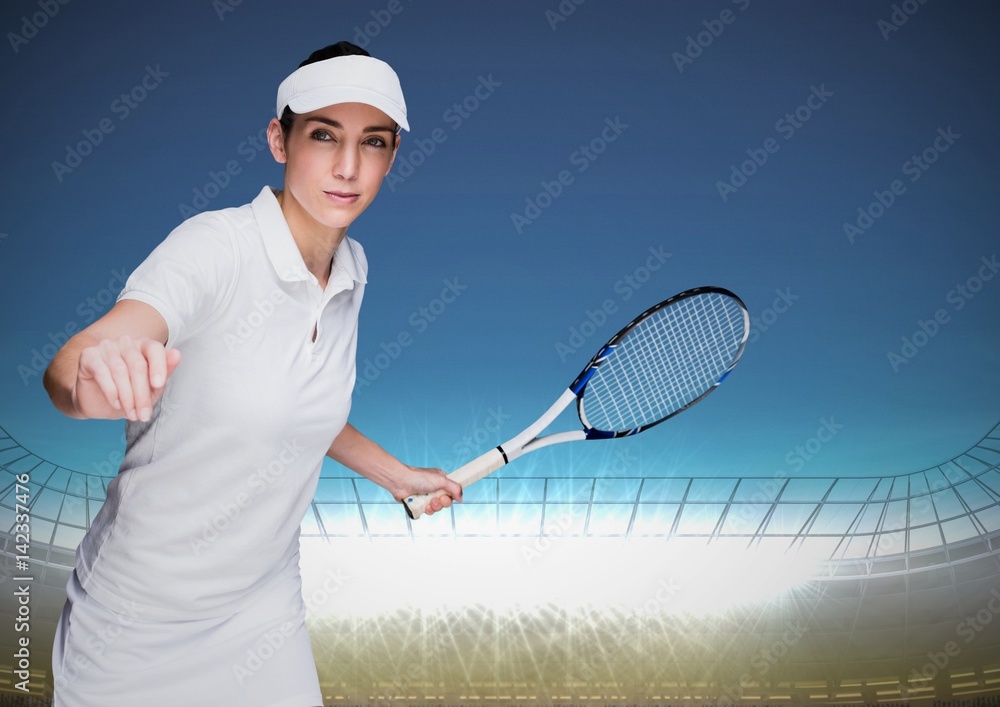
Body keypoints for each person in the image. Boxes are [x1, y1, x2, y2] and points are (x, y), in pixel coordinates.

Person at [42, 41, 463, 707]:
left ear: (391, 156)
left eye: (374, 142)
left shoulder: (352, 268)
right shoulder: (215, 247)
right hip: (135, 621)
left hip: (263, 611)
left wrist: (395, 474)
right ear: (280, 138)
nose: (349, 166)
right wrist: (92, 364)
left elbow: (296, 408)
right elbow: (82, 360)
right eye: (324, 135)